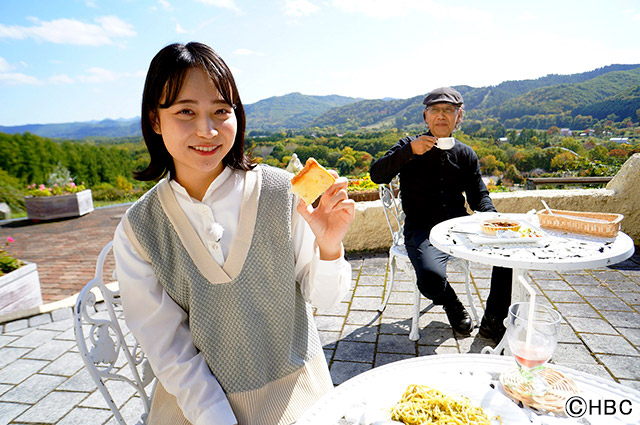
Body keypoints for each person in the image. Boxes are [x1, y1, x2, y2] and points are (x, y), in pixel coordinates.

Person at [113, 42, 355, 425]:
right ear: (155, 121)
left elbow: (324, 298)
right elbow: (168, 349)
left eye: (221, 111)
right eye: (185, 112)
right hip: (193, 406)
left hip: (296, 393)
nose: (206, 130)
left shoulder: (282, 193)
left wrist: (328, 246)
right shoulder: (139, 229)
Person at [369, 87, 512, 343]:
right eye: (435, 110)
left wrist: (492, 218)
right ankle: (452, 303)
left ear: (459, 118)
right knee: (430, 278)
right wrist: (409, 151)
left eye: (449, 110)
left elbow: (478, 196)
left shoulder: (466, 153)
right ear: (426, 116)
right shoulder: (408, 146)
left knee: (507, 252)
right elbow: (377, 174)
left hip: (460, 226)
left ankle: (493, 321)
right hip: (422, 229)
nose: (441, 116)